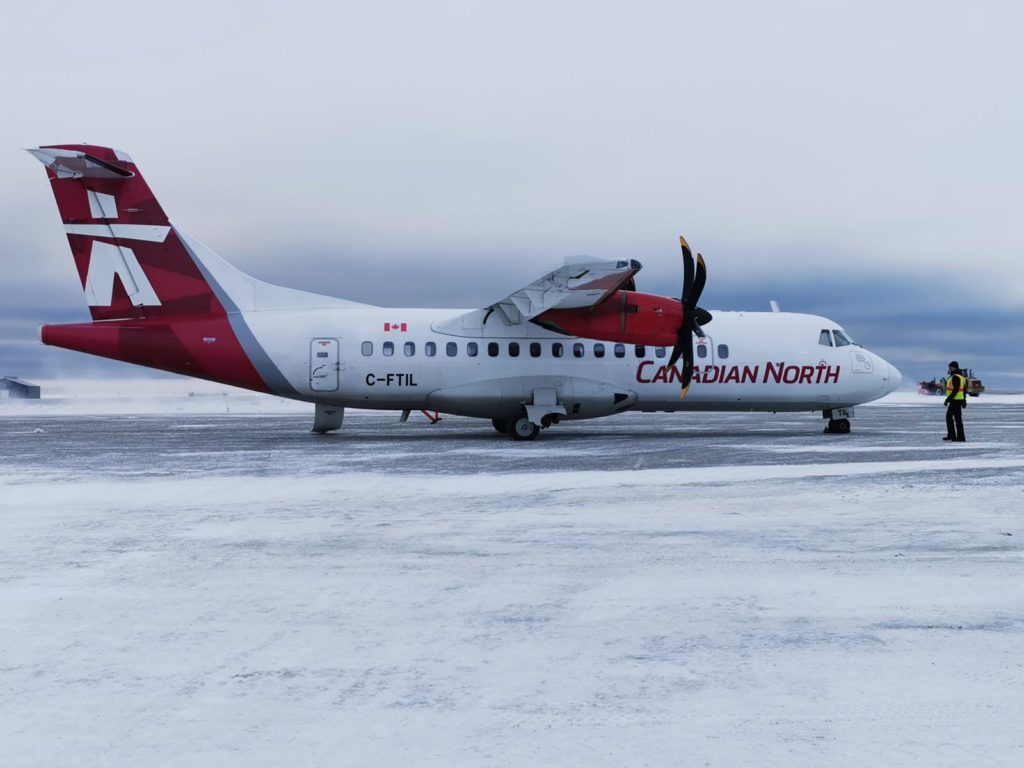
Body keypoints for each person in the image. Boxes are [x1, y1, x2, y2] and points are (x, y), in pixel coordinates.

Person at [943, 360, 967, 442]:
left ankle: (955, 436)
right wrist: (964, 400)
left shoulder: (955, 377)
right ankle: (956, 436)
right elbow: (964, 390)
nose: (949, 369)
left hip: (955, 400)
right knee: (956, 418)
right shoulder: (960, 376)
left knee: (950, 417)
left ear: (954, 368)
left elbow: (956, 390)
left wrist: (947, 400)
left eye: (950, 367)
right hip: (958, 400)